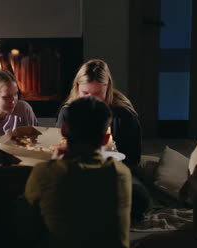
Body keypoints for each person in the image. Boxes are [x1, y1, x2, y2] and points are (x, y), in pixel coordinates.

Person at [20, 97, 132, 248]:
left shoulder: (46, 173)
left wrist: (54, 164)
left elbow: (25, 223)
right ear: (104, 139)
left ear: (64, 131)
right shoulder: (122, 173)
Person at [56, 59, 150, 221]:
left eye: (98, 94)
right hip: (77, 172)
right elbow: (60, 149)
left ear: (108, 88)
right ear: (77, 89)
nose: (91, 100)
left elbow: (133, 159)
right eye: (85, 94)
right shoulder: (68, 112)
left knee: (139, 197)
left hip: (114, 172)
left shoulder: (123, 115)